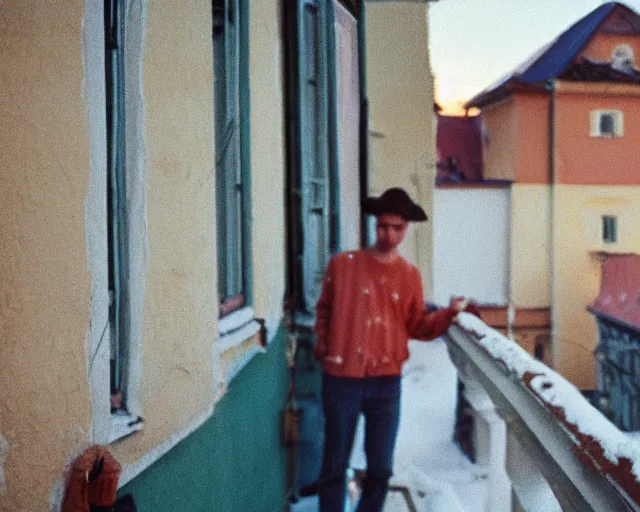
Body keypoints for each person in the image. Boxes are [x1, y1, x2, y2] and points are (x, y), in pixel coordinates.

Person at [313, 187, 476, 512]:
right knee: (334, 464)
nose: (389, 233)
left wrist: (449, 314)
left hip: (386, 383)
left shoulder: (409, 276)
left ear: (406, 229)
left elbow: (417, 324)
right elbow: (324, 312)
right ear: (375, 225)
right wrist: (326, 349)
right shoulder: (343, 266)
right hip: (342, 379)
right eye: (383, 226)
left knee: (380, 468)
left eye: (397, 227)